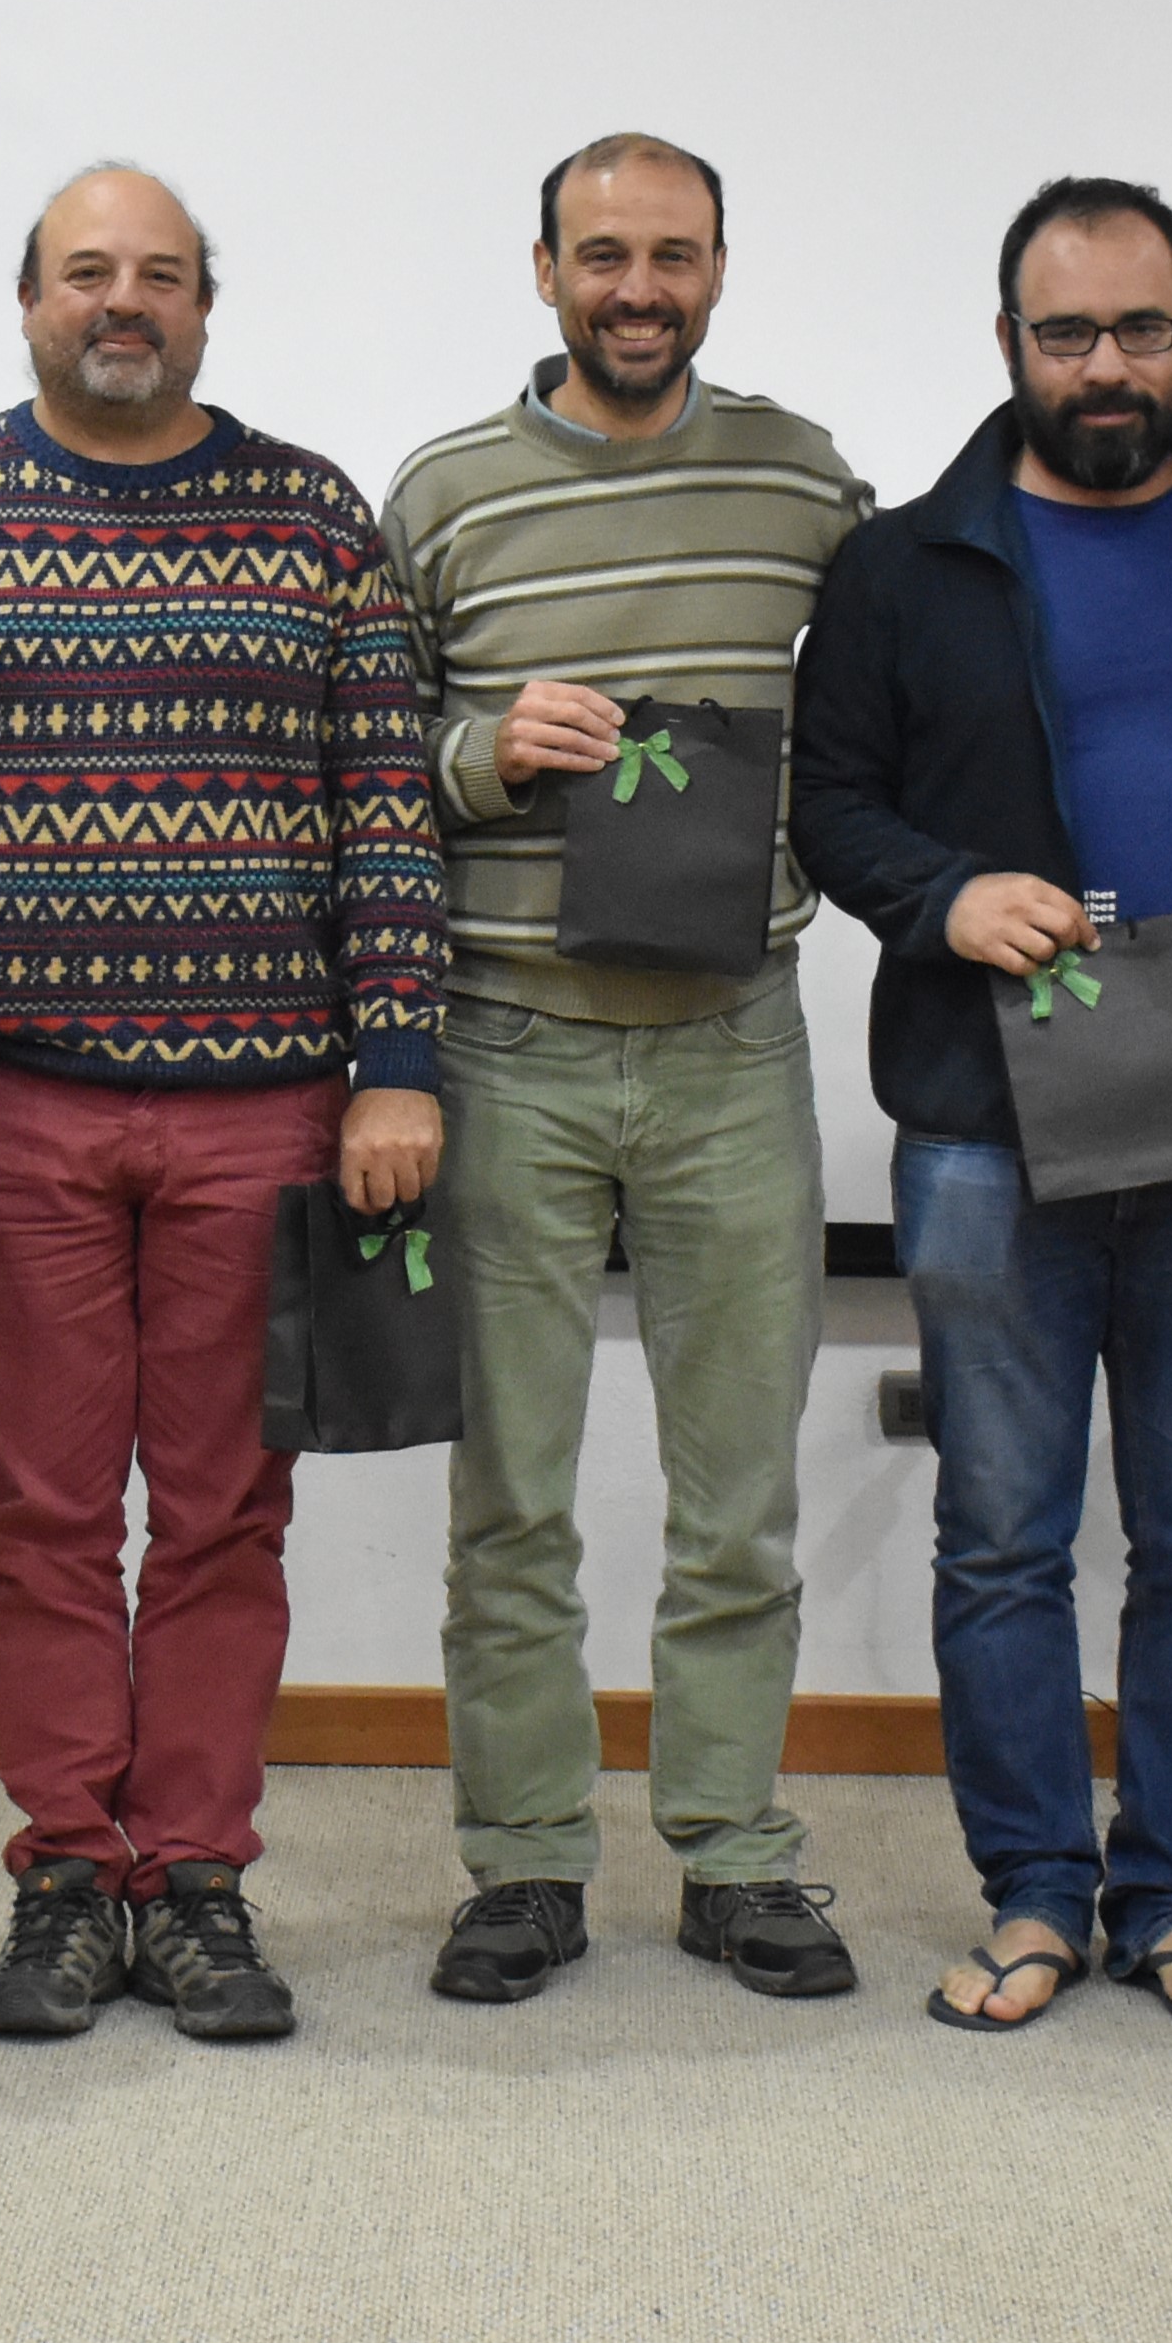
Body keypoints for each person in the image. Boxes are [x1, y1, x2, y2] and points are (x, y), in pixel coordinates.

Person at [0, 164, 448, 2044]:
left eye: (159, 276)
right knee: (37, 1518)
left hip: (261, 1116)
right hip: (1, 1120)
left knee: (219, 1518)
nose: (124, 301)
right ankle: (61, 1880)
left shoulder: (314, 519)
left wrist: (399, 1059)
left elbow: (385, 810)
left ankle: (189, 1877)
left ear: (206, 307)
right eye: (87, 273)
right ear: (25, 301)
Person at [795, 175, 1172, 2036]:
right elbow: (826, 801)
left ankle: (1170, 1894)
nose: (1106, 366)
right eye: (1066, 333)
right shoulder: (901, 564)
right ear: (1005, 344)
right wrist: (941, 896)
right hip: (985, 1131)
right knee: (1002, 1542)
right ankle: (1033, 1892)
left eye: (1142, 330)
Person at [379, 133, 871, 2006]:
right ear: (542, 271)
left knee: (733, 1492)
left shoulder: (802, 479)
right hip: (505, 1047)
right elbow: (369, 749)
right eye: (603, 255)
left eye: (672, 256)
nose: (637, 289)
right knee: (508, 1496)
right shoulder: (443, 495)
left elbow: (916, 661)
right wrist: (483, 747)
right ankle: (520, 1864)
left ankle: (735, 1855)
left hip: (733, 1043)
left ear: (721, 270)